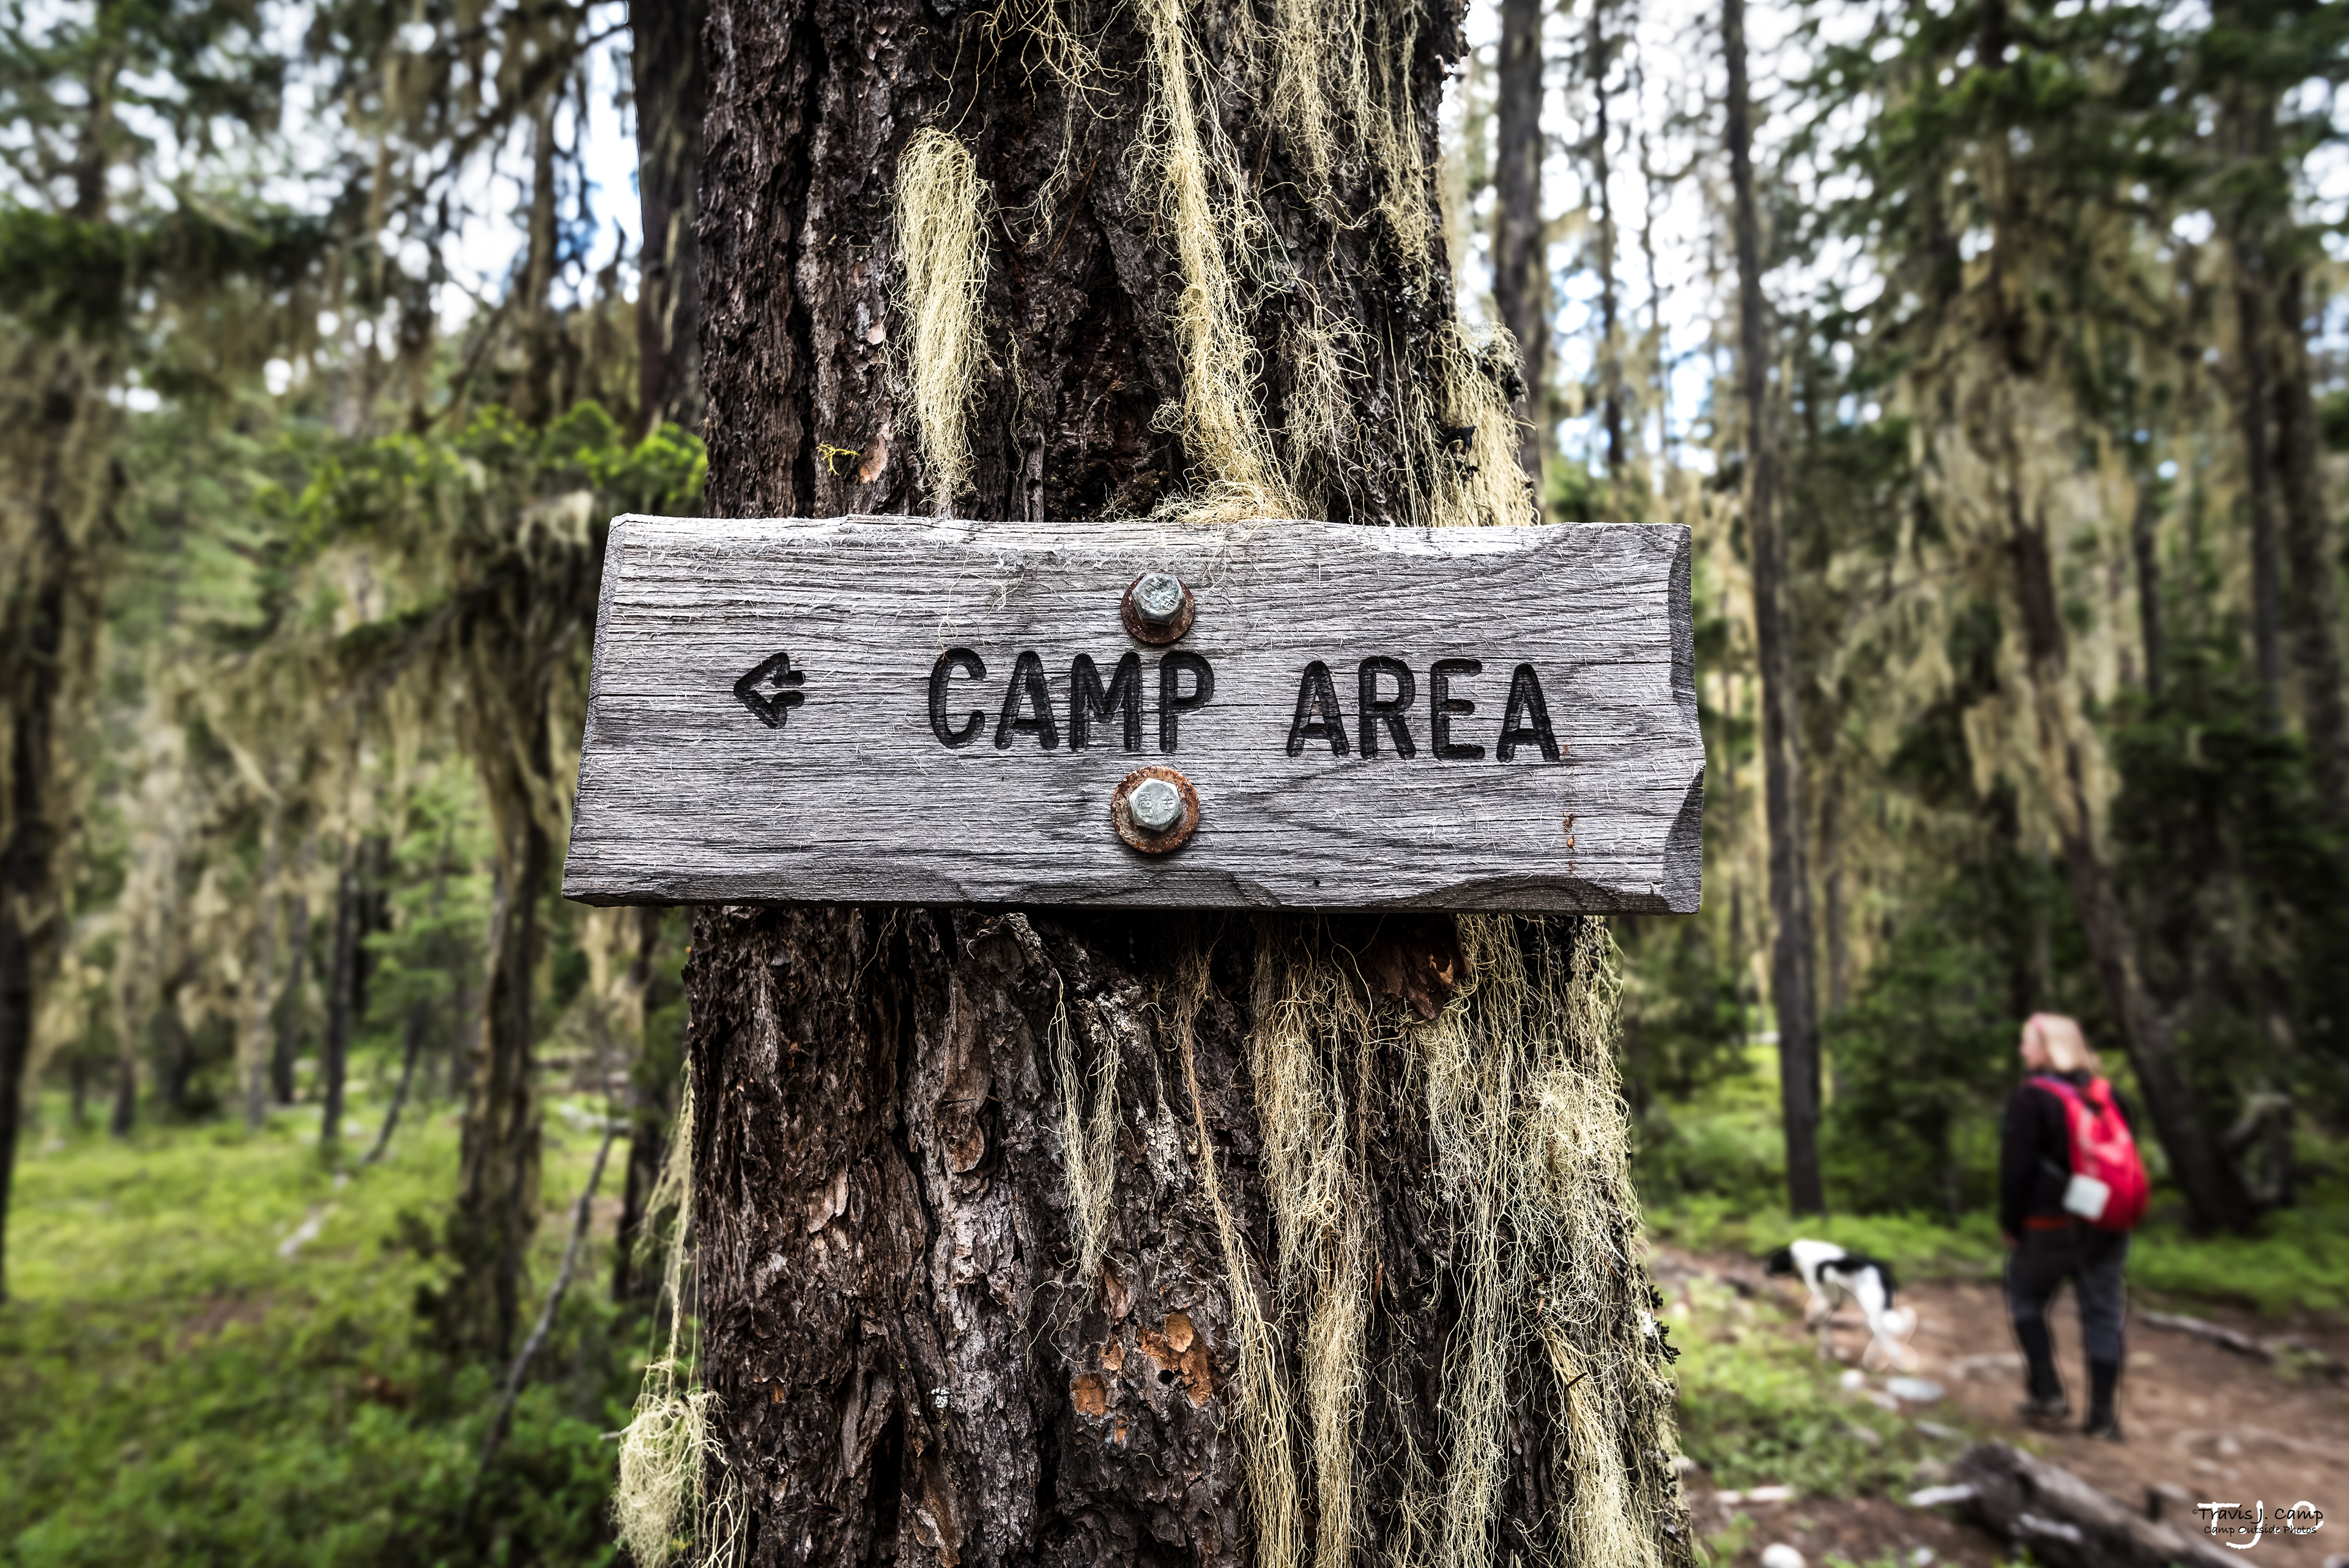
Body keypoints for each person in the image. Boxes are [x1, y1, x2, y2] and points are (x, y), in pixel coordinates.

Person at [1998, 1013, 2132, 1441]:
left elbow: (2015, 1169)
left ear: (2046, 1047)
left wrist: (2011, 1224)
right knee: (2104, 1313)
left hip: (2047, 1223)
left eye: (2027, 1042)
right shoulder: (2108, 1095)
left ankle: (2049, 1393)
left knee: (2025, 1296)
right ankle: (2102, 1417)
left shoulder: (2032, 1097)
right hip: (2106, 1223)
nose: (2023, 1050)